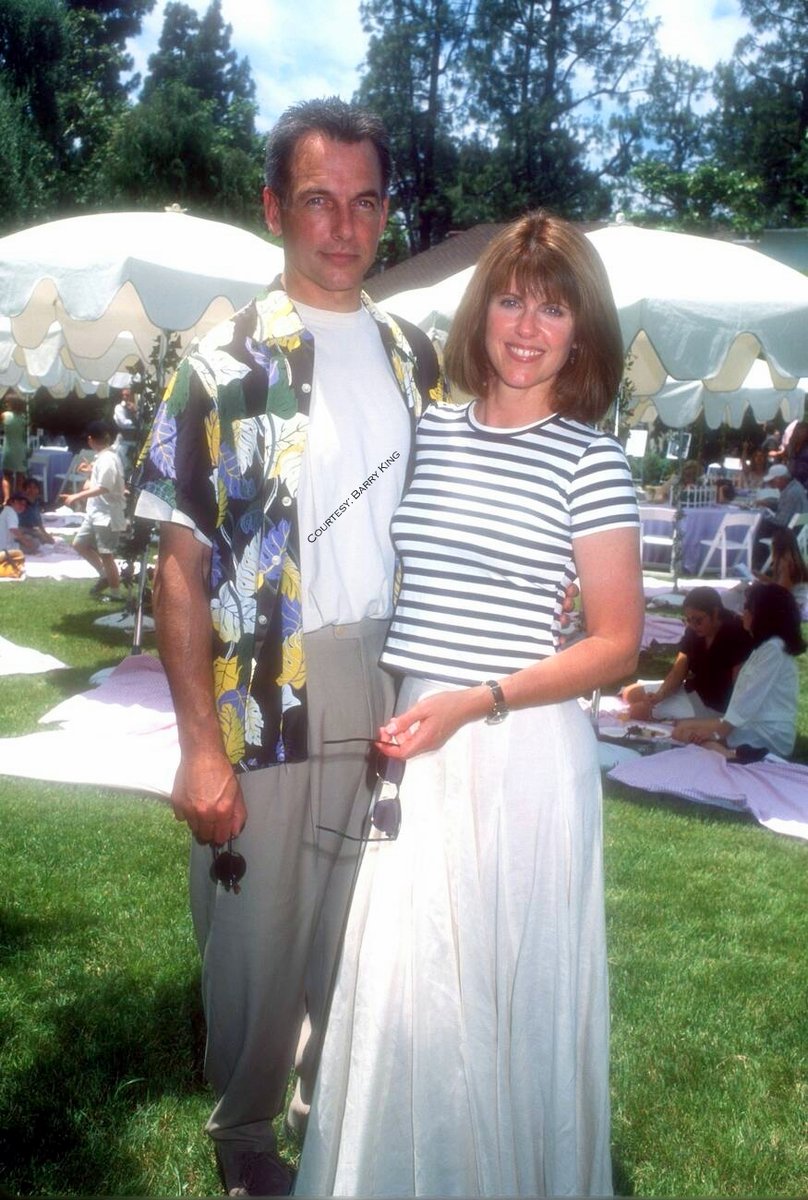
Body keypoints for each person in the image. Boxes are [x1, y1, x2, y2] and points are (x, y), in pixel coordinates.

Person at [133, 98, 447, 1197]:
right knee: (256, 940)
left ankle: (341, 1117)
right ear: (275, 208)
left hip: (397, 680)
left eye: (364, 201)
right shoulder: (217, 363)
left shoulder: (422, 361)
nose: (342, 226)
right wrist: (198, 747)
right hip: (268, 685)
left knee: (369, 930)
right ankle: (246, 1142)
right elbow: (179, 565)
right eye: (317, 200)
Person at [295, 211, 644, 1197]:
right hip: (420, 743)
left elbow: (618, 643)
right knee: (409, 996)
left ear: (582, 332)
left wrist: (475, 700)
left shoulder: (591, 461)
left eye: (553, 307)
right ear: (479, 310)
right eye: (510, 298)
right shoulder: (429, 434)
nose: (527, 327)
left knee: (507, 995)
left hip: (521, 755)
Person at [672, 582, 805, 758]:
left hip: (768, 733)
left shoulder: (774, 650)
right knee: (682, 729)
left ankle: (733, 757)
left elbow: (750, 697)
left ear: (763, 616)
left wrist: (718, 733)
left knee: (685, 732)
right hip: (749, 724)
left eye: (747, 609)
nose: (743, 614)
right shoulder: (765, 647)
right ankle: (731, 753)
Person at [621, 586, 751, 722]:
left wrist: (728, 722)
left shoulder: (736, 633)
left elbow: (740, 684)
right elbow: (680, 668)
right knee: (630, 693)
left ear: (715, 612)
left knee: (636, 711)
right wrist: (660, 695)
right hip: (693, 690)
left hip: (714, 706)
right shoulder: (693, 632)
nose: (693, 625)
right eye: (689, 620)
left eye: (698, 620)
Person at [60, 420, 127, 600]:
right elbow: (102, 482)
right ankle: (104, 576)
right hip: (96, 512)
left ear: (90, 440)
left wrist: (76, 497)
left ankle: (115, 593)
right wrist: (89, 472)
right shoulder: (103, 458)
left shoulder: (107, 459)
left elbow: (104, 487)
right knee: (79, 544)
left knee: (107, 554)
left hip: (107, 514)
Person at [753, 463, 808, 568]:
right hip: (798, 530)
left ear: (781, 479)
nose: (772, 484)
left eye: (773, 481)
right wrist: (768, 503)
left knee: (760, 526)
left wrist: (762, 515)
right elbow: (784, 505)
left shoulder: (791, 492)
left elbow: (780, 521)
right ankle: (763, 563)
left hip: (791, 533)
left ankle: (758, 564)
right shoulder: (795, 486)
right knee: (763, 524)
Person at [16, 477, 56, 553]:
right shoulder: (21, 502)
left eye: (34, 488)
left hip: (31, 529)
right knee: (34, 544)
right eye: (29, 487)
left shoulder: (36, 502)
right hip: (20, 530)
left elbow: (38, 522)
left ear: (38, 490)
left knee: (48, 540)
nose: (32, 490)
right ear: (24, 490)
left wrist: (46, 534)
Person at [1, 394, 28, 503]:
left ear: (12, 403)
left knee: (7, 476)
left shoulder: (4, 415)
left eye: (7, 402)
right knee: (20, 476)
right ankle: (18, 499)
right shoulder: (24, 418)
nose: (6, 404)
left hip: (9, 449)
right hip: (21, 450)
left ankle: (7, 498)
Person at [112, 385, 140, 472]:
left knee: (134, 466)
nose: (124, 397)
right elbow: (123, 423)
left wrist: (135, 412)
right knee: (121, 466)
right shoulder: (119, 408)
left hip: (136, 442)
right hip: (123, 442)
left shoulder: (139, 408)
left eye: (127, 395)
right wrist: (136, 422)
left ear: (132, 396)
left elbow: (143, 423)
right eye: (123, 395)